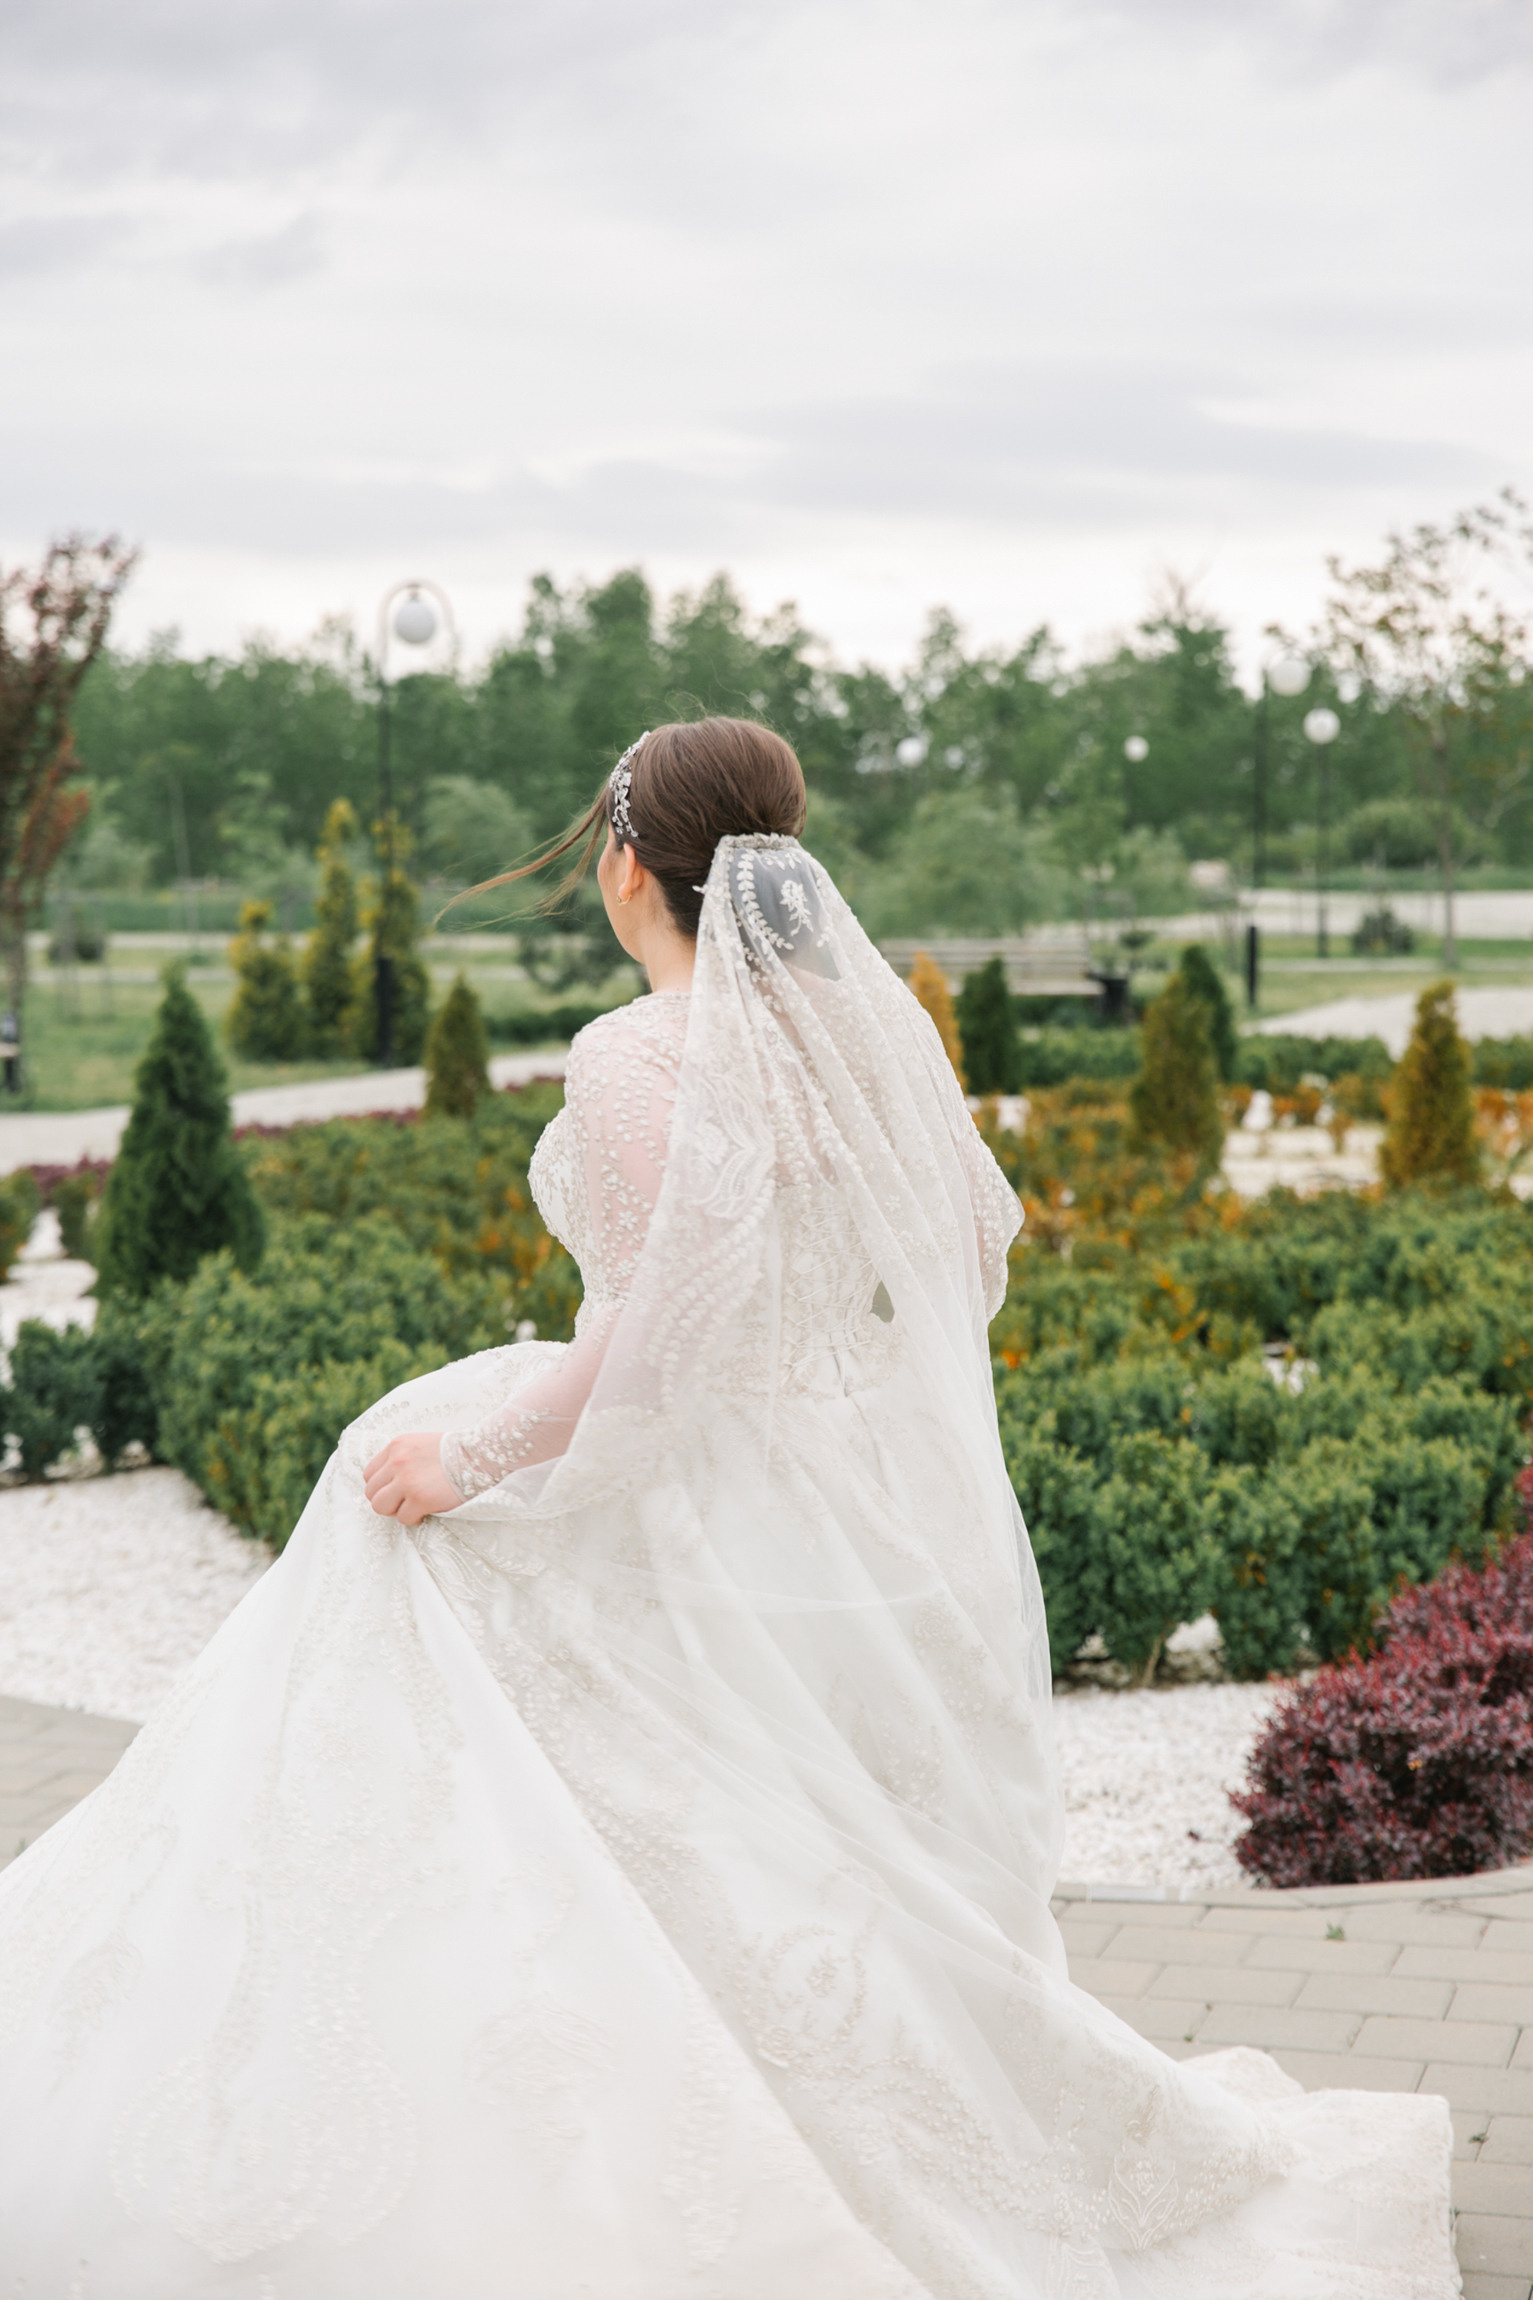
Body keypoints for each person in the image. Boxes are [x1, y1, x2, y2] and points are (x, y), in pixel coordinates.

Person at [0, 720, 1455, 2295]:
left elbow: (657, 1319)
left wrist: (474, 1458)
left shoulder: (637, 1050)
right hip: (838, 1498)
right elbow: (974, 1241)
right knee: (799, 1860)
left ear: (629, 864)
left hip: (686, 1491)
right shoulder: (860, 1031)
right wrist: (831, 1382)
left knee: (409, 1573)